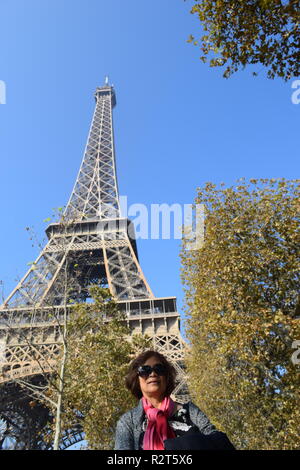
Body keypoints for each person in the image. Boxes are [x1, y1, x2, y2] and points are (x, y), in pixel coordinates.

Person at [114, 350, 235, 450]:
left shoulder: (190, 410)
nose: (153, 374)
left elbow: (217, 441)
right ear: (137, 379)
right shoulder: (127, 422)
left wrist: (182, 445)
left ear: (166, 377)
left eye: (159, 369)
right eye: (145, 370)